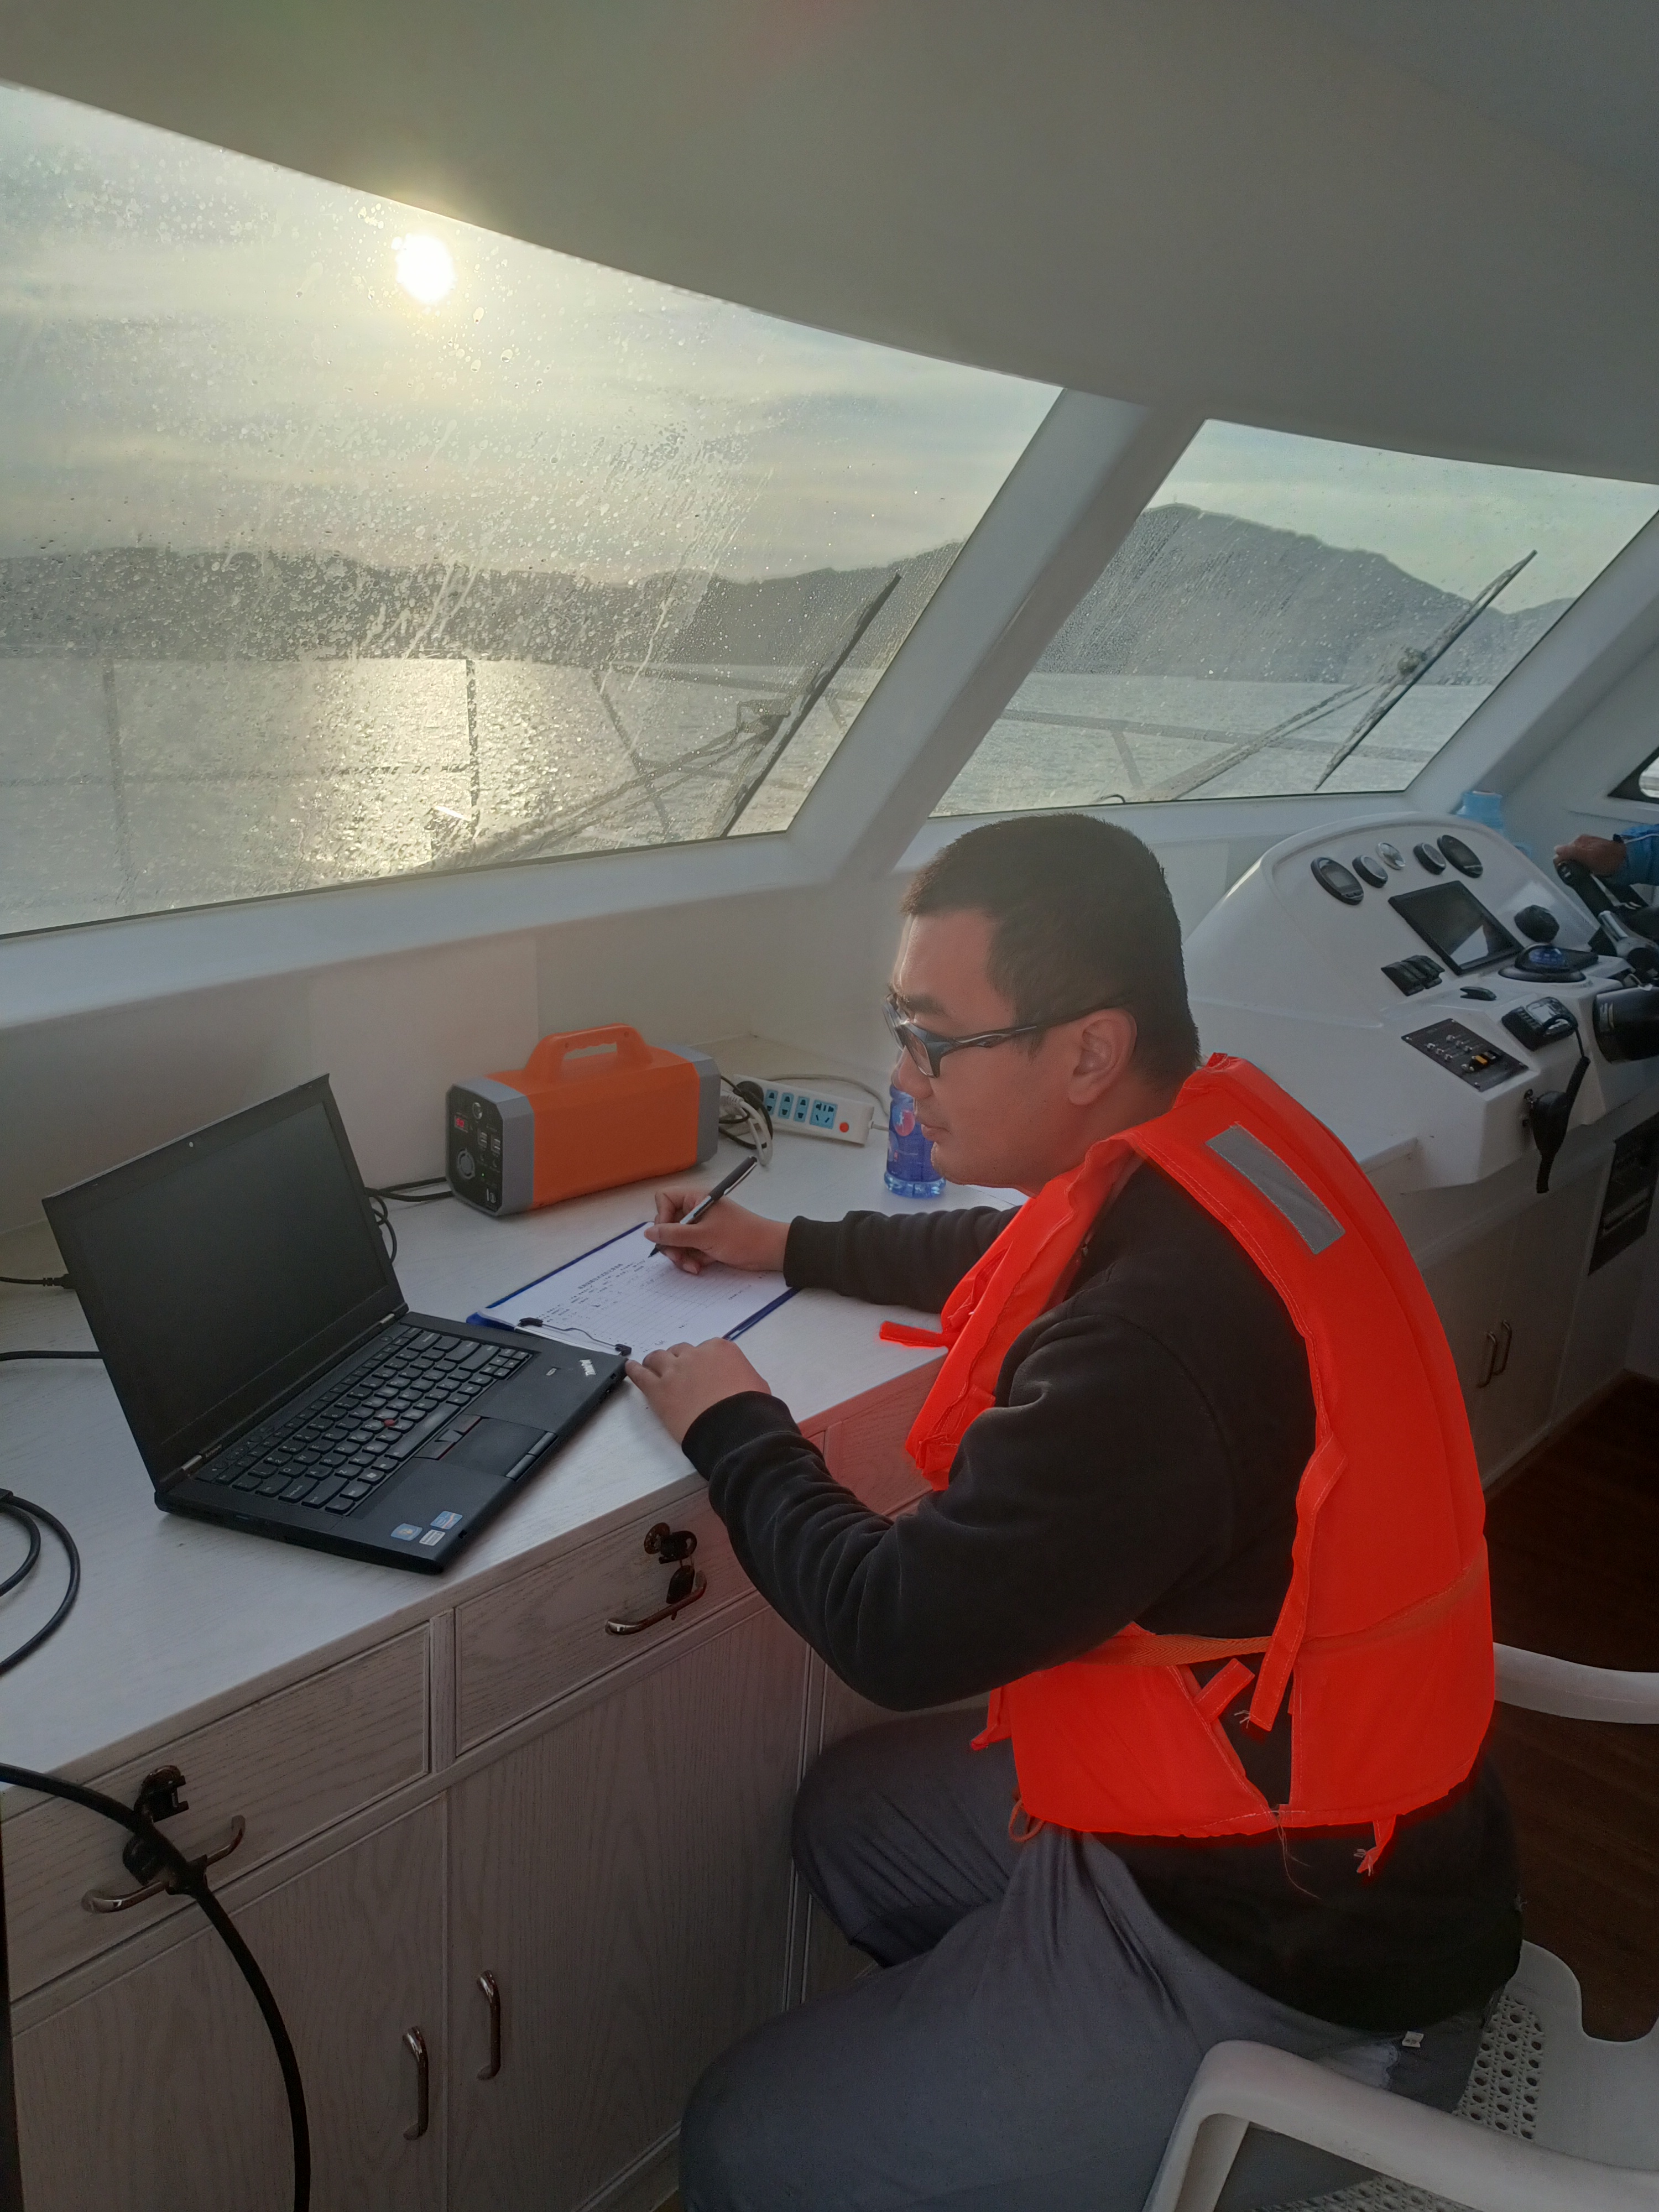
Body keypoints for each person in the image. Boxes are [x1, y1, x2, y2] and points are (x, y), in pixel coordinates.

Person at [626, 814, 1521, 2212]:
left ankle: (1111, 2094)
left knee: (738, 2135)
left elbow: (898, 1623)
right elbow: (1026, 1249)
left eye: (934, 1040)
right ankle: (1011, 2087)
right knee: (852, 1815)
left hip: (1295, 1962)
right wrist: (784, 1242)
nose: (903, 1076)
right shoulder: (1222, 1146)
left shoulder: (1154, 1349)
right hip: (1306, 1821)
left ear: (1090, 1051)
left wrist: (734, 1423)